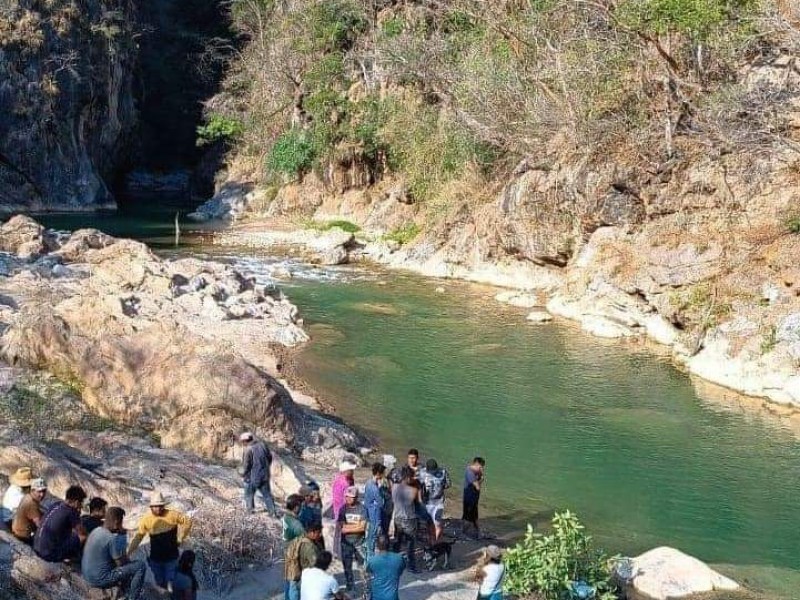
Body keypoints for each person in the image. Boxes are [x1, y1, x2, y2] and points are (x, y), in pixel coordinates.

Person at [127, 491, 193, 589]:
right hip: (156, 559)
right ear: (151, 506)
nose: (158, 508)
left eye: (160, 505)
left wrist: (180, 538)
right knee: (160, 583)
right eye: (155, 506)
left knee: (170, 583)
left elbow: (187, 522)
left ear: (163, 505)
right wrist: (128, 552)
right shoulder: (146, 520)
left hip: (171, 557)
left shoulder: (172, 515)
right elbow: (139, 537)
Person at [82, 506, 147, 600]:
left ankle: (125, 587)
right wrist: (122, 535)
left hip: (87, 576)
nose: (121, 525)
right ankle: (134, 597)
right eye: (121, 523)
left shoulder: (96, 531)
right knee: (140, 566)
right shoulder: (110, 538)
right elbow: (121, 564)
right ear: (116, 522)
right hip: (99, 580)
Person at [33, 484, 87, 563]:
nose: (81, 505)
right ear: (76, 502)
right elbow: (82, 533)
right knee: (82, 537)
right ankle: (72, 559)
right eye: (81, 502)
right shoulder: (71, 511)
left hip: (36, 547)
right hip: (49, 555)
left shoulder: (56, 504)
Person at [240, 432, 278, 517]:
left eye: (242, 441)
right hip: (265, 475)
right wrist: (265, 467)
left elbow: (246, 465)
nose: (242, 443)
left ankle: (250, 511)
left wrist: (243, 474)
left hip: (253, 477)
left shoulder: (248, 450)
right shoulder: (262, 445)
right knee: (267, 495)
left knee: (248, 494)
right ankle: (273, 513)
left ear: (245, 441)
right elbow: (270, 457)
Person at [338, 486, 367, 591]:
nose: (349, 499)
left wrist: (349, 528)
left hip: (360, 542)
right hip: (346, 543)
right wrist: (357, 527)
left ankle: (366, 588)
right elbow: (342, 527)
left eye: (352, 497)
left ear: (357, 497)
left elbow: (363, 527)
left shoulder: (362, 509)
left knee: (363, 567)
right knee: (347, 567)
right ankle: (350, 586)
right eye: (347, 497)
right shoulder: (343, 509)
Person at [284, 522, 324, 600]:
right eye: (318, 533)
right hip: (302, 574)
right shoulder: (309, 546)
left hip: (293, 571)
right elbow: (315, 564)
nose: (320, 535)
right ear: (312, 532)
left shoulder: (301, 538)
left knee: (293, 591)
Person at [391, 466, 419, 573]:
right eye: (412, 477)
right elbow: (418, 501)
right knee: (410, 544)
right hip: (409, 519)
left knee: (397, 541)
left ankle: (393, 562)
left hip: (397, 518)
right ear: (407, 477)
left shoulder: (394, 487)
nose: (413, 479)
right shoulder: (413, 490)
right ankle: (411, 566)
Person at [419, 458, 451, 543]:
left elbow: (448, 484)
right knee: (429, 523)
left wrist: (439, 488)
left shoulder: (443, 472)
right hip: (427, 502)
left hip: (438, 502)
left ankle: (435, 542)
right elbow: (418, 486)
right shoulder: (422, 473)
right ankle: (431, 540)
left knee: (437, 523)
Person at [366, 535, 406, 600]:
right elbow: (400, 571)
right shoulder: (399, 558)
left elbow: (369, 573)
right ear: (389, 544)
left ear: (377, 546)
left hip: (376, 597)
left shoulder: (372, 560)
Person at [332, 461, 356, 559]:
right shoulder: (345, 483)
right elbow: (349, 499)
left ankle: (335, 552)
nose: (353, 471)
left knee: (338, 533)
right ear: (346, 471)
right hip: (344, 511)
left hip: (337, 510)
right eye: (351, 470)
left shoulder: (338, 478)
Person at [11, 477, 47, 543]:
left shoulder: (28, 496)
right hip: (23, 536)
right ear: (32, 490)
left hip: (17, 530)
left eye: (44, 491)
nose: (42, 494)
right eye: (39, 491)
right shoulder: (31, 503)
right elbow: (40, 524)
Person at [363, 462, 386, 557]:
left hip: (368, 511)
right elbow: (381, 503)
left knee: (370, 535)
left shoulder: (368, 483)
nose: (384, 475)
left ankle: (368, 552)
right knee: (373, 537)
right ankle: (370, 556)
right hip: (375, 514)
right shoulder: (375, 488)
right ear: (378, 473)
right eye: (383, 473)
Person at [463, 457, 485, 539]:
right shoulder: (470, 473)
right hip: (470, 498)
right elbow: (477, 487)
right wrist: (482, 479)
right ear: (476, 464)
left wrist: (481, 474)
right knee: (469, 517)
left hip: (474, 498)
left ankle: (479, 532)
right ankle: (463, 532)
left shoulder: (476, 471)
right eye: (481, 467)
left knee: (474, 516)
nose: (482, 468)